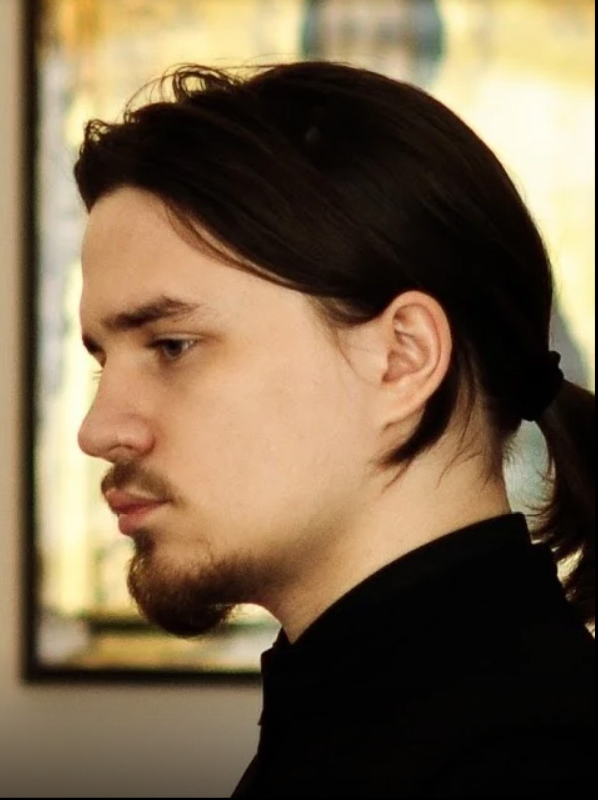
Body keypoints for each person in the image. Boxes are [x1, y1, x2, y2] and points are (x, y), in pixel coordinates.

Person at [72, 62, 595, 797]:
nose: (98, 430)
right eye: (101, 360)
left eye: (172, 346)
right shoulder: (360, 718)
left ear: (402, 357)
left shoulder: (530, 763)